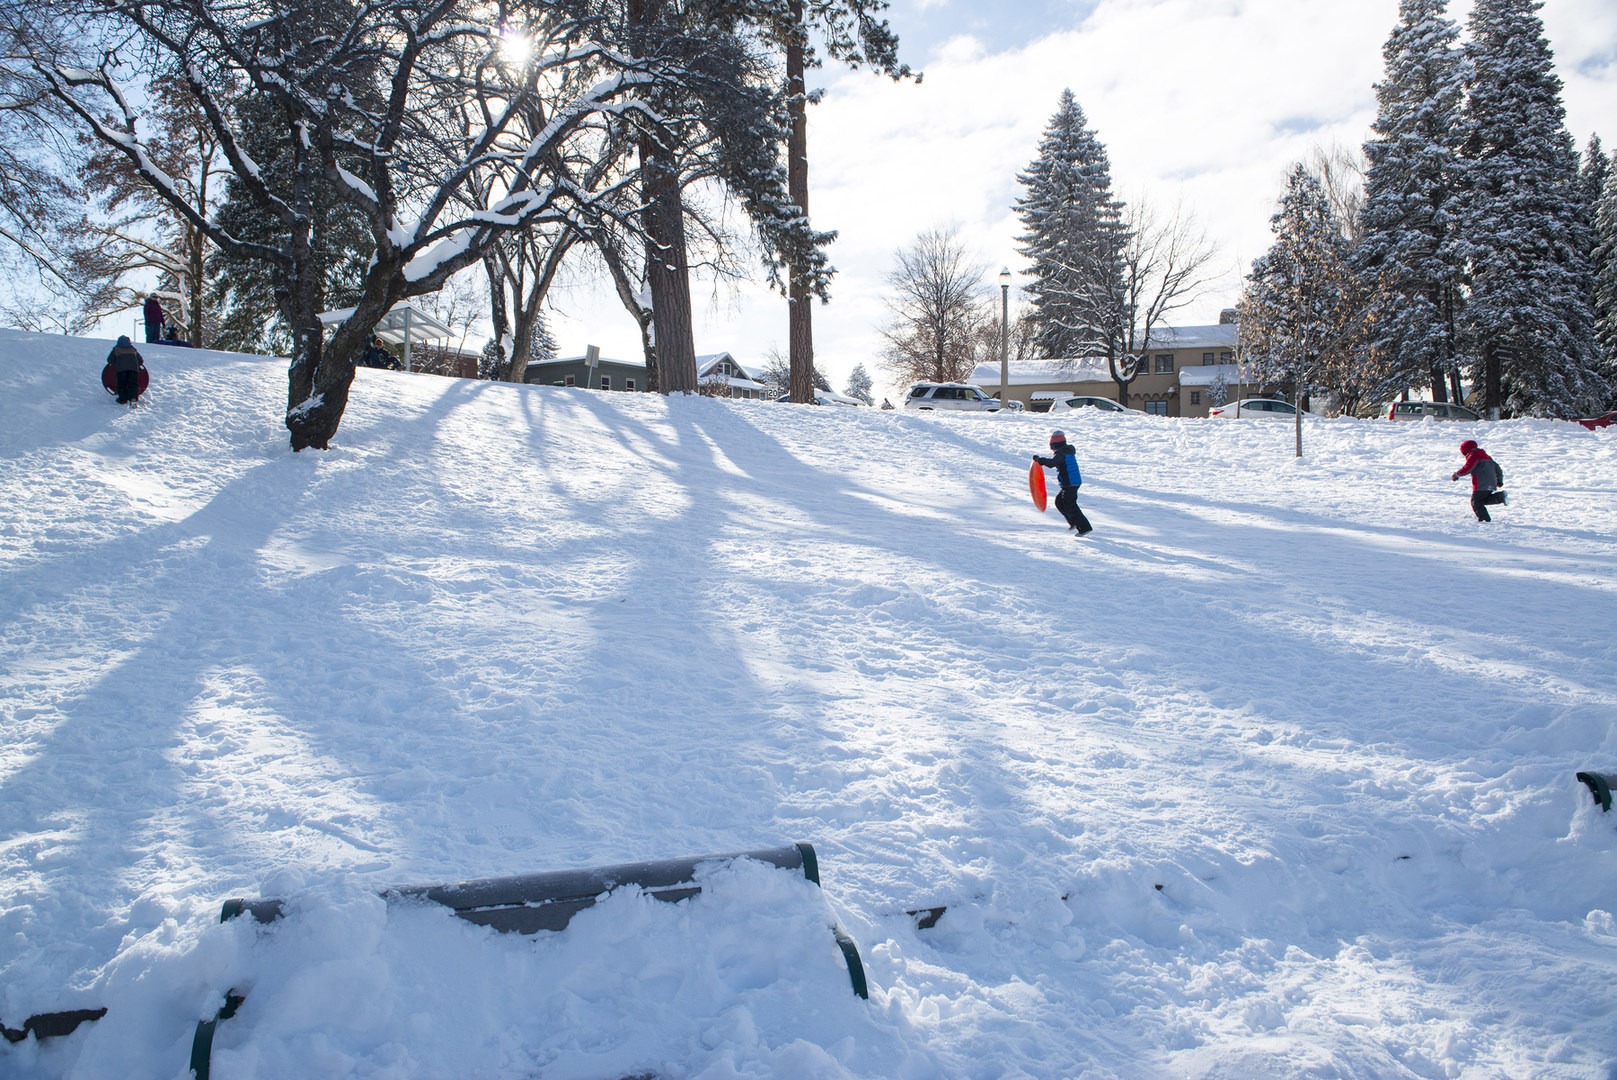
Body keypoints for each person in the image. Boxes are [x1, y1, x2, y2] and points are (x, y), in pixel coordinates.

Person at [1033, 429, 1093, 536]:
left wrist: (1040, 460)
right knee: (1059, 502)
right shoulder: (1066, 451)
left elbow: (1052, 463)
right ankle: (1073, 522)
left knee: (1070, 505)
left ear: (1055, 445)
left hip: (1070, 483)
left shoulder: (1062, 453)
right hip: (1071, 482)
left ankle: (1084, 527)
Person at [1452, 438, 1507, 522]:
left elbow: (1468, 467)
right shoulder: (1486, 456)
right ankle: (1500, 497)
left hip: (1481, 483)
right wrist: (1499, 480)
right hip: (1491, 482)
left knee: (1476, 502)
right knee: (1482, 500)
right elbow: (1498, 468)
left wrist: (1457, 474)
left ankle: (1484, 520)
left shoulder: (1474, 455)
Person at [107, 335, 146, 405]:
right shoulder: (133, 349)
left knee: (122, 384)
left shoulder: (116, 349)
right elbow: (140, 361)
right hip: (133, 370)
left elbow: (110, 360)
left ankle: (122, 399)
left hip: (121, 370)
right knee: (133, 384)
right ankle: (133, 398)